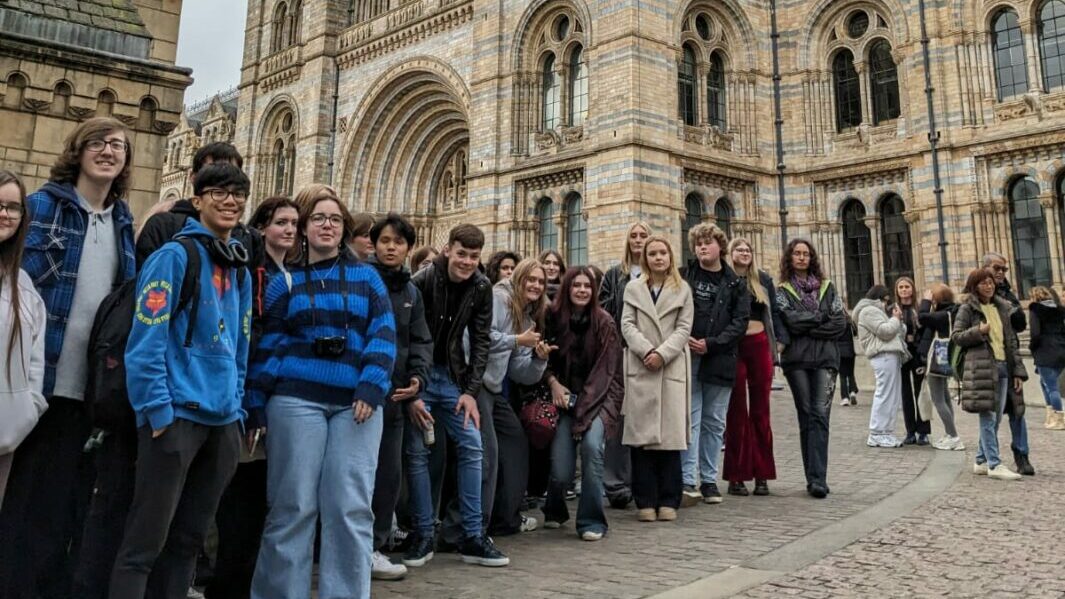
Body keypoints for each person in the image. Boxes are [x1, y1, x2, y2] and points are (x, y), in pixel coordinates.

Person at [0, 117, 138, 599]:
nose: (108, 151)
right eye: (98, 143)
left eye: (118, 146)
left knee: (66, 503)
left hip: (91, 389)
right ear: (77, 151)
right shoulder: (40, 206)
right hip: (40, 383)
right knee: (26, 502)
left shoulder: (123, 222)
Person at [109, 163, 253, 599]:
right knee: (144, 543)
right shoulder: (173, 257)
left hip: (222, 421)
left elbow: (241, 345)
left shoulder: (240, 268)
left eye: (238, 193)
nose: (230, 201)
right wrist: (156, 409)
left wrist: (237, 408)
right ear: (200, 198)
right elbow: (145, 339)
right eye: (219, 192)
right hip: (175, 417)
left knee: (189, 541)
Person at [247, 193, 397, 599]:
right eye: (318, 219)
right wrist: (257, 403)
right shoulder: (285, 282)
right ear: (304, 228)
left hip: (356, 404)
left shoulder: (368, 279)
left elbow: (383, 333)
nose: (326, 225)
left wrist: (371, 384)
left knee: (349, 508)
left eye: (334, 219)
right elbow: (271, 347)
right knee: (292, 507)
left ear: (344, 228)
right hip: (296, 400)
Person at [204, 195, 300, 599]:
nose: (290, 231)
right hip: (248, 394)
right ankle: (224, 584)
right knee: (239, 499)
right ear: (262, 227)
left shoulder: (293, 271)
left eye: (295, 223)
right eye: (281, 222)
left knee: (260, 500)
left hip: (276, 395)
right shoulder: (252, 269)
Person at [404, 224, 509, 567]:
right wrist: (412, 391)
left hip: (451, 378)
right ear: (447, 249)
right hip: (419, 378)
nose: (466, 262)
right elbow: (405, 339)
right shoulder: (420, 281)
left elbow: (481, 342)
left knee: (472, 445)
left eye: (474, 256)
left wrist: (470, 393)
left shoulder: (481, 286)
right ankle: (422, 534)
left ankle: (473, 537)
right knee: (417, 452)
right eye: (461, 253)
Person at [364, 213, 432, 581]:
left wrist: (418, 378)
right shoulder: (359, 279)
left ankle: (373, 546)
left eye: (399, 242)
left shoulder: (410, 292)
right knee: (356, 474)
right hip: (362, 395)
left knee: (388, 475)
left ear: (407, 248)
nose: (391, 247)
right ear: (374, 244)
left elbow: (420, 340)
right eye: (385, 241)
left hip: (396, 398)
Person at [542, 266, 623, 540]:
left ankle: (591, 520)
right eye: (576, 285)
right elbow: (544, 361)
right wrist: (553, 382)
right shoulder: (552, 318)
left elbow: (607, 372)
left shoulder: (605, 322)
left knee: (591, 449)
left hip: (598, 400)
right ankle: (554, 507)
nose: (582, 290)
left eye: (587, 286)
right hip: (564, 401)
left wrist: (584, 409)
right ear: (567, 287)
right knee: (562, 468)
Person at [473, 258, 551, 537]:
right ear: (519, 279)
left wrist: (539, 361)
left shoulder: (526, 315)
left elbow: (520, 372)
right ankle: (474, 528)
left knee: (516, 441)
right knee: (487, 455)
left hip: (494, 389)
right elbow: (480, 337)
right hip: (476, 385)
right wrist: (517, 340)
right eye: (531, 279)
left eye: (541, 282)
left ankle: (506, 517)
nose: (536, 285)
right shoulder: (498, 298)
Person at [621, 236, 694, 523]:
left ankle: (668, 500)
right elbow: (626, 324)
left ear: (671, 256)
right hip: (641, 365)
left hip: (670, 366)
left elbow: (684, 327)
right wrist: (646, 350)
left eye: (663, 252)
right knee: (642, 441)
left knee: (669, 440)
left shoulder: (682, 289)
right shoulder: (633, 288)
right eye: (652, 253)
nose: (658, 257)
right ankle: (645, 500)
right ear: (645, 258)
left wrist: (662, 354)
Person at [680, 224, 749, 504]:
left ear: (720, 246)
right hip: (689, 356)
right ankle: (688, 479)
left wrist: (712, 343)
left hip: (719, 358)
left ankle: (709, 480)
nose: (701, 247)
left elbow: (740, 323)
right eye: (697, 243)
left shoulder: (735, 283)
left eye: (707, 242)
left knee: (714, 421)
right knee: (691, 419)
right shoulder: (684, 276)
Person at [776, 239, 845, 499]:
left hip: (826, 359)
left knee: (820, 416)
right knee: (806, 415)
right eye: (797, 253)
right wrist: (820, 317)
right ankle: (812, 477)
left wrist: (809, 325)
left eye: (806, 253)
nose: (802, 258)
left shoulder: (827, 287)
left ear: (812, 257)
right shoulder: (782, 290)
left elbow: (839, 322)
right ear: (790, 257)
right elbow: (789, 321)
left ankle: (819, 479)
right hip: (797, 361)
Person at [952, 268, 1027, 481]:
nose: (989, 286)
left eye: (991, 282)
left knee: (994, 420)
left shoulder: (1001, 307)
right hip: (983, 367)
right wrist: (979, 331)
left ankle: (981, 460)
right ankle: (994, 464)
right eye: (984, 283)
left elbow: (1011, 341)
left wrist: (1018, 372)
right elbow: (957, 336)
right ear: (974, 286)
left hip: (1004, 366)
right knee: (988, 416)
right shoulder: (967, 309)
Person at [598, 221, 652, 509]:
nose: (639, 240)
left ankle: (639, 481)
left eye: (644, 235)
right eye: (634, 235)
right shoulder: (614, 275)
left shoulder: (658, 275)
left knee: (643, 416)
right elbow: (604, 313)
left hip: (650, 357)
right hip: (621, 354)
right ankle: (615, 483)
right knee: (618, 419)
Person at [0, 171, 47, 503]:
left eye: (13, 207)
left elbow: (34, 361)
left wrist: (26, 410)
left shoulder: (24, 286)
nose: (4, 214)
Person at [723, 238, 781, 497]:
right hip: (734, 348)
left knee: (761, 412)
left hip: (759, 345)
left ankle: (762, 475)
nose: (744, 252)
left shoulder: (763, 280)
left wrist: (779, 344)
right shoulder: (724, 279)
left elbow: (775, 313)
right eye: (739, 249)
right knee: (735, 413)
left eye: (748, 249)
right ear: (730, 253)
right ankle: (736, 475)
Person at [981, 252, 1033, 475]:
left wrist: (1012, 303)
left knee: (1017, 410)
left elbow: (1019, 327)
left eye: (1004, 269)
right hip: (988, 363)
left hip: (1009, 361)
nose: (1001, 273)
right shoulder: (977, 299)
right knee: (990, 414)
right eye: (996, 268)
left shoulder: (1009, 295)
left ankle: (1022, 455)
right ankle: (984, 458)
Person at [852, 285, 908, 449]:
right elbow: (885, 331)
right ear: (879, 299)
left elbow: (897, 332)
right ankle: (877, 432)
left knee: (893, 396)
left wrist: (898, 320)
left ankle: (886, 432)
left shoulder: (878, 312)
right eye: (885, 301)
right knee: (884, 394)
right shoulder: (868, 311)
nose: (887, 304)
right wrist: (895, 320)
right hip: (882, 354)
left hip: (890, 353)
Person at [917, 284, 965, 450]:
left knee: (938, 400)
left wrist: (925, 301)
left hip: (937, 360)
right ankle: (950, 433)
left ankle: (953, 436)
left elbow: (922, 317)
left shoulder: (942, 315)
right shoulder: (954, 311)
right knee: (944, 398)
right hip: (946, 358)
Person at [895, 277, 929, 445]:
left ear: (912, 289)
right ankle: (910, 431)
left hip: (917, 353)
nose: (904, 290)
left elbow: (925, 330)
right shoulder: (893, 309)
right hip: (901, 353)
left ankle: (923, 431)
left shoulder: (919, 308)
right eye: (900, 287)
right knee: (905, 393)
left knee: (920, 392)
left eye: (907, 286)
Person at [1028, 286, 1065, 430]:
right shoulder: (1059, 310)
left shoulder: (1035, 310)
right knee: (1045, 383)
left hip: (1045, 351)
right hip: (1061, 350)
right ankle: (1051, 416)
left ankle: (1059, 418)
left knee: (1051, 386)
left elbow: (1035, 333)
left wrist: (1033, 347)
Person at [836, 310, 859, 406]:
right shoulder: (850, 322)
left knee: (842, 375)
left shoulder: (836, 323)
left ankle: (845, 397)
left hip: (840, 352)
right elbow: (855, 333)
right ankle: (852, 391)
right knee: (850, 373)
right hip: (850, 351)